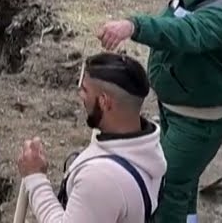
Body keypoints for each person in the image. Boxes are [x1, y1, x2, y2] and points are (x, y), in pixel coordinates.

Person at [97, 0, 222, 223]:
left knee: (168, 184)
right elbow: (172, 24)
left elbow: (186, 33)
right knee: (184, 179)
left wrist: (133, 26)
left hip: (200, 120)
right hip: (179, 107)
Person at [18, 52, 166, 222]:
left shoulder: (101, 179)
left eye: (85, 90)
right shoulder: (148, 145)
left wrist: (35, 178)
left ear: (104, 101)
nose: (80, 94)